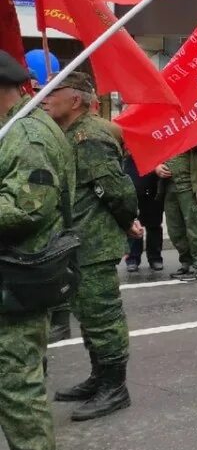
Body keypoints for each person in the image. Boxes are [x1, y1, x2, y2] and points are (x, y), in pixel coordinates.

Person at [42, 72, 139, 422]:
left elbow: (118, 190)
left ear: (76, 99)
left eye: (54, 92)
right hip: (76, 242)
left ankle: (115, 388)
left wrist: (128, 222)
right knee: (87, 314)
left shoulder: (89, 136)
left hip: (94, 243)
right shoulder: (69, 133)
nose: (45, 98)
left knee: (103, 317)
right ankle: (99, 378)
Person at [0, 51, 74, 450]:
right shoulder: (14, 128)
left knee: (17, 382)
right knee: (17, 380)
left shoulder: (27, 135)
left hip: (20, 275)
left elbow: (28, 208)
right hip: (15, 273)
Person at [159, 142, 197, 282]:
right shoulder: (162, 133)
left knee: (194, 228)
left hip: (190, 187)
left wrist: (188, 135)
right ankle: (186, 263)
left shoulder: (189, 126)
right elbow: (152, 154)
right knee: (175, 230)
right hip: (170, 188)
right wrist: (157, 167)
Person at [124, 155, 164, 272]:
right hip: (133, 187)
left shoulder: (154, 142)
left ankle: (155, 258)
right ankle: (132, 258)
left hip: (153, 187)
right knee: (134, 224)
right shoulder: (128, 142)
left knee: (154, 224)